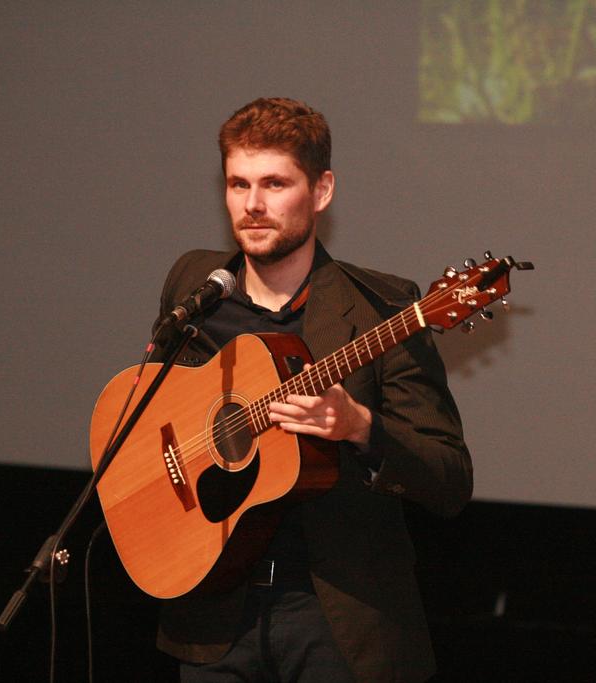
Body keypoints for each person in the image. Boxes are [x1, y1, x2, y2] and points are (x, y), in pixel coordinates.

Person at [151, 97, 472, 683]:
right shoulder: (195, 285)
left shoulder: (383, 308)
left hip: (337, 622)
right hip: (214, 617)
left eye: (275, 183)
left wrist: (361, 428)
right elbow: (156, 409)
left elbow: (449, 476)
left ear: (321, 190)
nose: (252, 205)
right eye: (238, 184)